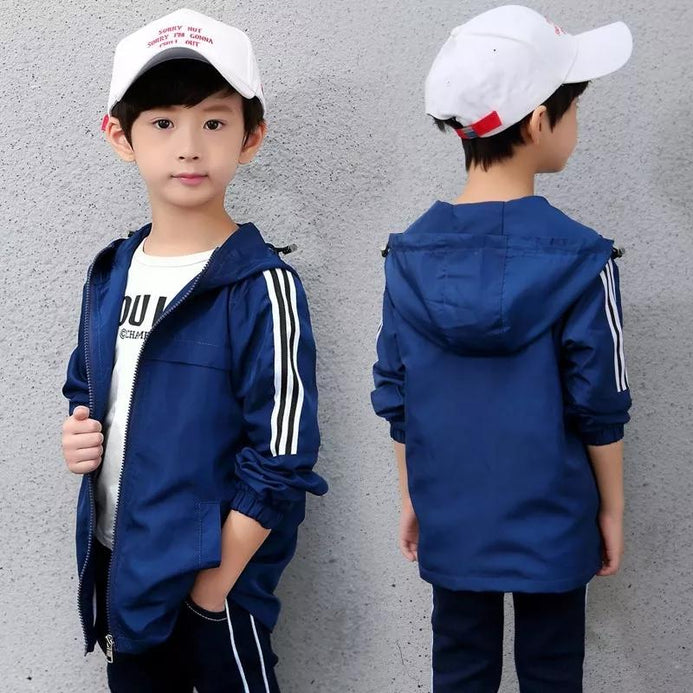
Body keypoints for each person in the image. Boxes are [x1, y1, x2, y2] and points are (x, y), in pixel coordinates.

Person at [61, 8, 327, 691]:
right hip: (124, 572)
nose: (188, 147)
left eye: (213, 122)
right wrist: (78, 435)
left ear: (250, 136)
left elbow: (283, 458)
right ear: (119, 135)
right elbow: (87, 389)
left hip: (214, 593)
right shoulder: (109, 273)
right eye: (162, 123)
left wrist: (213, 589)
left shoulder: (262, 286)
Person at [371, 6, 633, 691]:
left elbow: (396, 396)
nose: (575, 124)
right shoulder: (583, 259)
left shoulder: (407, 258)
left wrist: (412, 495)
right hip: (555, 521)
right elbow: (600, 404)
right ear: (540, 122)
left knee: (459, 671)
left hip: (451, 516)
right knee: (553, 673)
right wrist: (610, 508)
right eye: (573, 107)